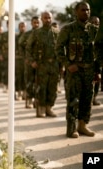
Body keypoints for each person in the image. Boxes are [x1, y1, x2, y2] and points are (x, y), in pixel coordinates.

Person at [55, 2, 99, 138]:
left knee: (87, 99)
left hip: (89, 71)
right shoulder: (68, 29)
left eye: (88, 10)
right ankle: (71, 129)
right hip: (74, 71)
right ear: (76, 12)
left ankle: (82, 126)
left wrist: (98, 71)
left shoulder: (94, 30)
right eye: (83, 10)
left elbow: (98, 52)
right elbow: (58, 49)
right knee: (73, 100)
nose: (86, 12)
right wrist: (68, 64)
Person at [26, 11, 59, 117]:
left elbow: (62, 49)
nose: (48, 20)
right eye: (45, 18)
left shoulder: (56, 32)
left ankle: (49, 108)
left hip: (54, 64)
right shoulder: (36, 33)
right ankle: (41, 108)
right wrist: (32, 61)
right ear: (41, 19)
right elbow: (28, 48)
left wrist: (62, 65)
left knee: (52, 87)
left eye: (49, 17)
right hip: (42, 64)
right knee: (41, 87)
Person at [18, 16, 40, 108]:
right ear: (31, 23)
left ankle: (37, 101)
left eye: (38, 22)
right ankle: (29, 100)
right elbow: (21, 47)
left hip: (40, 63)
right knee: (29, 81)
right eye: (34, 22)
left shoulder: (42, 34)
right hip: (29, 62)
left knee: (38, 82)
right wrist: (27, 59)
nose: (36, 24)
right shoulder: (26, 35)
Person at [89, 16, 101, 106]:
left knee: (97, 81)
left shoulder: (100, 35)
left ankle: (94, 98)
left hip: (98, 63)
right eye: (94, 23)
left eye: (97, 23)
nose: (96, 25)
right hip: (89, 63)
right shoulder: (87, 34)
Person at [15, 21, 27, 100]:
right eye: (21, 26)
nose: (22, 28)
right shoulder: (16, 37)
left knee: (26, 76)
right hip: (19, 59)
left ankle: (25, 93)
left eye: (23, 26)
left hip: (27, 59)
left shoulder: (28, 36)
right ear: (19, 27)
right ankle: (19, 92)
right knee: (19, 76)